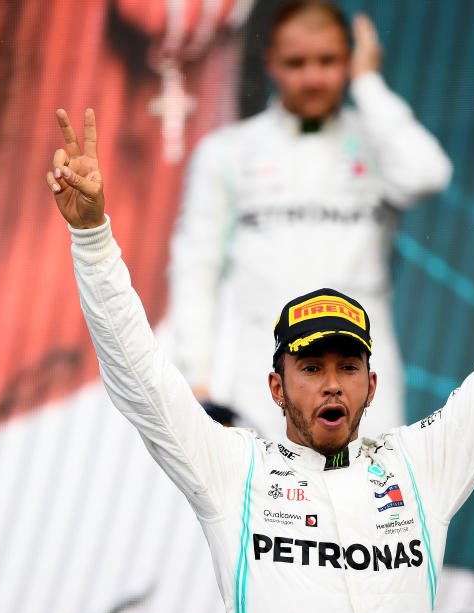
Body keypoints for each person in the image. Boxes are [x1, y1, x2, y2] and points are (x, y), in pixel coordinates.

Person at [46, 108, 474, 613]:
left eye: (347, 367)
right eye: (310, 368)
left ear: (371, 386)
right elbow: (140, 378)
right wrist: (93, 241)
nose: (331, 384)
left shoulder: (420, 466)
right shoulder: (234, 472)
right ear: (277, 388)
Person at [167, 0, 453, 437]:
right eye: (297, 63)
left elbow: (429, 175)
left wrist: (370, 84)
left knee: (368, 506)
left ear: (350, 61)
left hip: (364, 381)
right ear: (270, 63)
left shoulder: (378, 141)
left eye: (328, 61)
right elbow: (195, 269)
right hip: (260, 381)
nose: (313, 77)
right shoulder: (227, 151)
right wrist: (197, 379)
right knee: (263, 506)